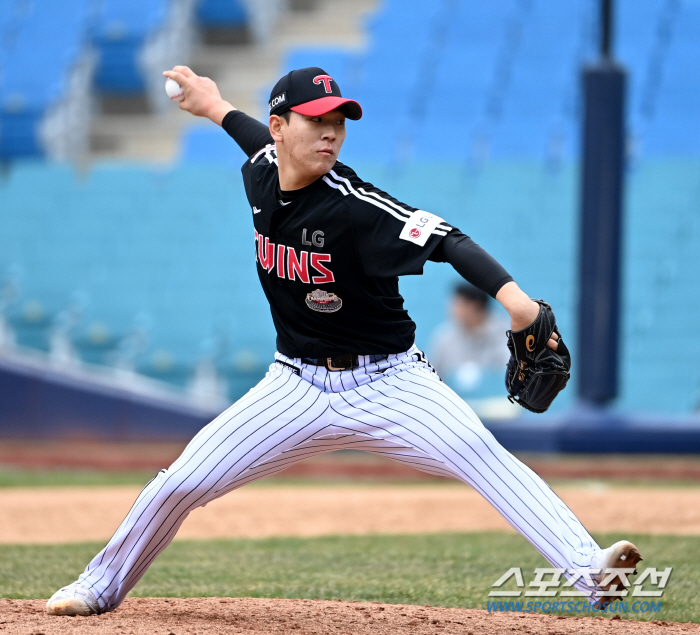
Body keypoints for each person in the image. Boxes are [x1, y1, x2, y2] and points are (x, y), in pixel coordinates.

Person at [46, 66, 641, 616]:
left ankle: (595, 575)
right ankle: (99, 585)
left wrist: (518, 304)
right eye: (317, 120)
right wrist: (214, 105)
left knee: (483, 457)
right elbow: (251, 136)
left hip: (391, 382)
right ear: (282, 128)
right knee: (181, 481)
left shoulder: (355, 207)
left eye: (338, 122)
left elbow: (447, 239)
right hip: (294, 384)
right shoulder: (261, 170)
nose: (331, 133)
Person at [429, 283, 510, 385]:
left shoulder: (504, 333)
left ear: (476, 306)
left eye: (459, 304)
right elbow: (435, 376)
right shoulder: (445, 337)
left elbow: (510, 371)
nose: (453, 309)